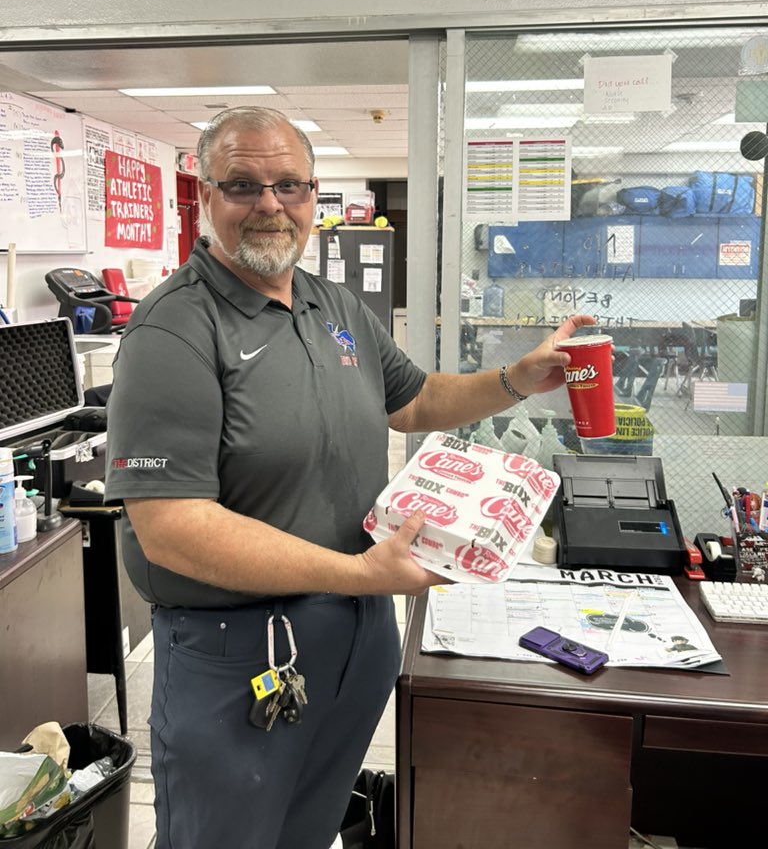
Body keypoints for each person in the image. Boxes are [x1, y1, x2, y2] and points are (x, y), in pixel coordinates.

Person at [104, 106, 596, 849]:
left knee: (307, 832)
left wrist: (514, 380)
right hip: (239, 652)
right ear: (204, 195)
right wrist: (358, 574)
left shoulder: (333, 304)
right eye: (243, 185)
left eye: (289, 185)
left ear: (312, 197)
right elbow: (171, 530)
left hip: (355, 633)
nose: (270, 204)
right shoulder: (172, 330)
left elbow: (415, 401)